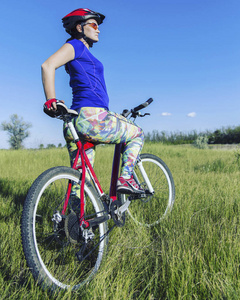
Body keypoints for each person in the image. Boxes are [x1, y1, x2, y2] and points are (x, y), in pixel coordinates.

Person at [42, 8, 144, 194]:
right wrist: (51, 99)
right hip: (92, 117)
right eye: (94, 25)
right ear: (80, 27)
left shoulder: (82, 52)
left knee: (81, 183)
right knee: (137, 133)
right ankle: (126, 178)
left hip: (75, 122)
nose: (98, 30)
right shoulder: (76, 45)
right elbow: (48, 65)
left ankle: (72, 221)